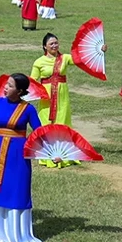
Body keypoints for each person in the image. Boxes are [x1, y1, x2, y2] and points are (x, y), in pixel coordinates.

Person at [0, 73, 44, 242]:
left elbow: (39, 133)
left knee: (18, 188)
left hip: (18, 154)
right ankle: (0, 234)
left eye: (10, 86)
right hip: (0, 150)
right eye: (7, 84)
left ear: (20, 91)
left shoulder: (28, 109)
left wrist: (50, 153)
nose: (5, 87)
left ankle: (19, 234)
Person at [30, 33, 83, 167]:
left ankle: (64, 155)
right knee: (46, 124)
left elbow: (80, 59)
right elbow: (32, 81)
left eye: (56, 43)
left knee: (62, 123)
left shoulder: (64, 58)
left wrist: (100, 51)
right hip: (46, 98)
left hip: (62, 98)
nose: (54, 46)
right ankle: (47, 155)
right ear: (45, 46)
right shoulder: (39, 62)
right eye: (51, 44)